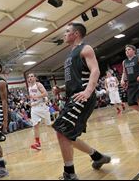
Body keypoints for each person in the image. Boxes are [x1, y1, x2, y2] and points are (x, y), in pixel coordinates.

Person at [52, 22, 111, 180]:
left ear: (76, 34)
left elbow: (95, 70)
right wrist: (61, 88)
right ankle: (97, 156)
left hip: (82, 96)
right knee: (66, 133)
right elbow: (75, 79)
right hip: (73, 96)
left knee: (61, 129)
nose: (64, 34)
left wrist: (88, 91)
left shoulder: (86, 48)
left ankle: (69, 173)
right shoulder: (70, 54)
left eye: (67, 31)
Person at [121, 44, 139, 128]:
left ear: (134, 50)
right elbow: (124, 73)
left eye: (129, 49)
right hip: (131, 85)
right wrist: (122, 80)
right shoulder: (124, 62)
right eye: (126, 50)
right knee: (131, 104)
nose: (127, 51)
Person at [27, 73, 51, 150]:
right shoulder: (29, 86)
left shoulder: (38, 85)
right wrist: (30, 102)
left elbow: (45, 93)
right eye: (29, 77)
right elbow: (32, 97)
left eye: (31, 76)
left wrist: (36, 97)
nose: (30, 78)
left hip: (42, 106)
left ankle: (64, 133)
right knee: (35, 125)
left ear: (35, 78)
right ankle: (38, 143)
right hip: (34, 108)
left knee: (49, 125)